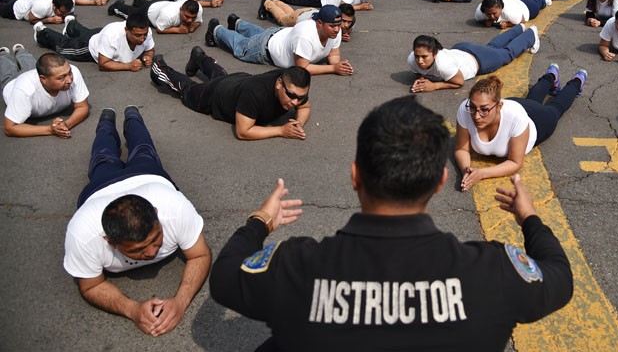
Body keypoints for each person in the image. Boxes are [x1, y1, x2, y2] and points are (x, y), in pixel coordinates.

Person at [209, 96, 573, 351]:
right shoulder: (495, 272)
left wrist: (260, 222)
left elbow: (224, 277)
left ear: (355, 177)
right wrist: (529, 218)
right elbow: (559, 275)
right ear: (439, 182)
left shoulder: (294, 268)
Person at [63, 106, 211, 336]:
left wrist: (181, 302)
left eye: (156, 238)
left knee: (143, 148)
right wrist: (132, 310)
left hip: (148, 175)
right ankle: (106, 122)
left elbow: (200, 254)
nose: (152, 252)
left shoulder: (173, 206)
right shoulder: (82, 234)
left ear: (155, 212)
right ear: (110, 241)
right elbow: (91, 285)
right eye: (139, 249)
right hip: (100, 189)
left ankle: (133, 116)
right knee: (102, 157)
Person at [455, 71, 586, 190]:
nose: (476, 115)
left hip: (537, 120)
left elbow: (515, 162)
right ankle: (550, 76)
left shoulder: (516, 118)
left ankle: (577, 81)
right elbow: (462, 149)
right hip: (518, 106)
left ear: (499, 106)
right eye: (472, 107)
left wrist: (482, 173)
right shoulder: (465, 110)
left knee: (556, 108)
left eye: (484, 109)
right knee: (530, 100)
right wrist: (466, 170)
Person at [150, 52, 312, 141]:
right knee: (187, 90)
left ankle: (200, 58)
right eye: (291, 95)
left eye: (300, 97)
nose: (295, 102)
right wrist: (281, 130)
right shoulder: (255, 94)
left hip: (239, 81)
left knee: (222, 76)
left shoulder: (292, 85)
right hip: (216, 95)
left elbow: (305, 106)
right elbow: (243, 132)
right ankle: (159, 68)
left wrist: (299, 122)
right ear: (279, 84)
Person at [209, 5, 353, 76]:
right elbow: (302, 67)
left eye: (338, 25)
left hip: (280, 35)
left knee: (259, 33)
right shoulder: (306, 35)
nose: (336, 29)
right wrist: (333, 68)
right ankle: (216, 30)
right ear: (320, 23)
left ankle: (237, 23)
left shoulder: (335, 31)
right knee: (242, 46)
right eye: (332, 26)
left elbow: (333, 53)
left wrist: (338, 64)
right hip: (265, 50)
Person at [409, 24, 540, 93]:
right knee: (492, 47)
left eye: (424, 57)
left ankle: (530, 34)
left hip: (478, 61)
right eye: (417, 56)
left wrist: (435, 86)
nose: (420, 61)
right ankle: (518, 29)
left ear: (435, 53)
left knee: (507, 54)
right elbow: (419, 72)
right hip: (461, 49)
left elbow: (459, 82)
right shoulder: (411, 60)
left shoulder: (443, 64)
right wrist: (422, 78)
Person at [2, 50, 89, 138]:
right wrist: (50, 129)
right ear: (43, 79)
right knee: (7, 69)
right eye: (62, 78)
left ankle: (20, 51)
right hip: (12, 82)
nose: (69, 80)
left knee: (30, 63)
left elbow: (83, 107)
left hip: (33, 74)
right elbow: (10, 128)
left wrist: (66, 125)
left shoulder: (73, 72)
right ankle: (3, 54)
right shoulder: (24, 90)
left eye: (69, 73)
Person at [35, 13, 155, 72]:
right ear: (126, 30)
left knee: (85, 32)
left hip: (99, 36)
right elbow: (103, 64)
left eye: (144, 35)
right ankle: (42, 32)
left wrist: (148, 56)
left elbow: (150, 49)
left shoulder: (145, 32)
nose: (142, 39)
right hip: (88, 46)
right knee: (63, 47)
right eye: (137, 36)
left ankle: (71, 25)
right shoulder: (111, 36)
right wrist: (128, 66)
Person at [108, 0, 203, 34]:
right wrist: (178, 30)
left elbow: (198, 22)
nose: (190, 20)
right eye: (186, 17)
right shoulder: (168, 14)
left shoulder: (198, 8)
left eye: (192, 18)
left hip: (162, 4)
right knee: (132, 13)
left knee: (144, 4)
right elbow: (160, 29)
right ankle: (117, 6)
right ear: (181, 10)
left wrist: (194, 26)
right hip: (148, 12)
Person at [475, 0, 551, 29]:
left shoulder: (510, 12)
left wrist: (508, 24)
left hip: (525, 5)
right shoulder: (480, 12)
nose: (491, 16)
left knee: (536, 5)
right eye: (488, 14)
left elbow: (523, 20)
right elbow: (479, 19)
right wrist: (485, 21)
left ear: (501, 7)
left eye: (494, 13)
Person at [0, 0, 74, 24]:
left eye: (66, 12)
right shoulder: (42, 7)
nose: (64, 15)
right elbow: (31, 19)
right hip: (18, 9)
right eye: (61, 12)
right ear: (54, 6)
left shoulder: (70, 3)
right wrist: (48, 20)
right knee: (2, 9)